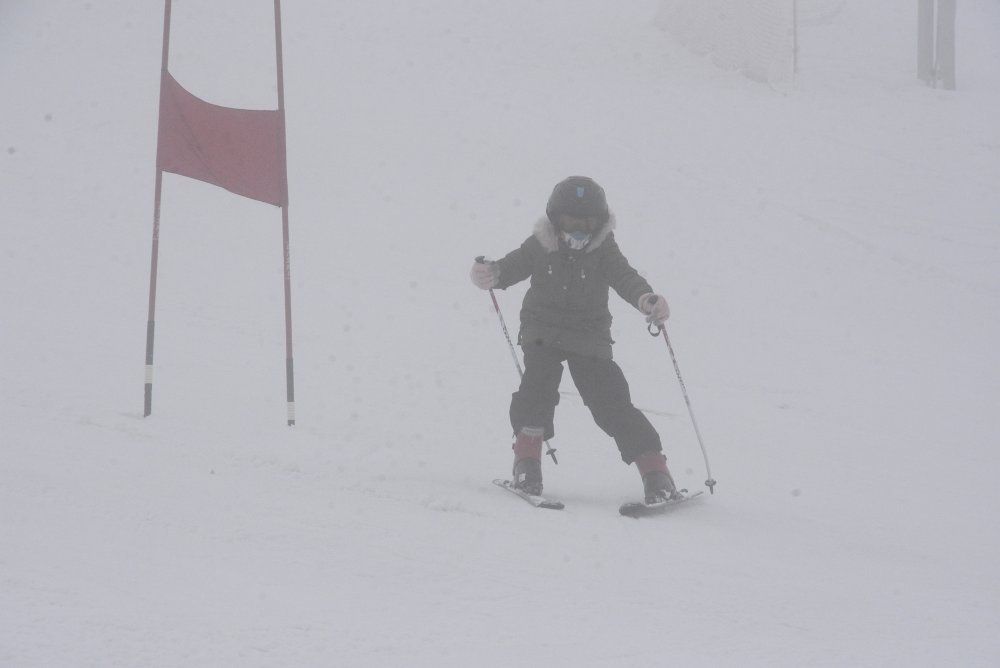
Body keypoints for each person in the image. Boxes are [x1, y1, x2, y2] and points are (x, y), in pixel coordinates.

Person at [470, 175, 678, 503]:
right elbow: (510, 268)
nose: (578, 229)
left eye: (586, 222)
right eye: (570, 221)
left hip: (588, 335)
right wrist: (489, 274)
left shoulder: (604, 249)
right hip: (542, 330)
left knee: (610, 401)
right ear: (555, 219)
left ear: (598, 224)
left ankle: (656, 471)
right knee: (537, 389)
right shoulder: (541, 243)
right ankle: (527, 465)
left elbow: (626, 277)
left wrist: (647, 299)